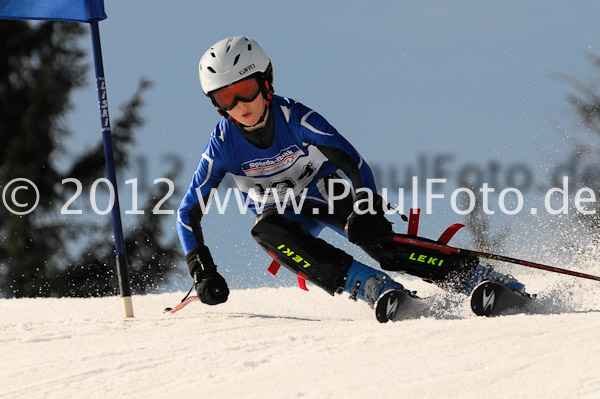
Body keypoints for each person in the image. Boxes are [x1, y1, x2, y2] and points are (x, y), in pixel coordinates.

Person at [176, 36, 525, 322]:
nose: (240, 104)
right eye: (226, 97)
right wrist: (201, 269)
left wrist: (367, 205)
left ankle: (476, 277)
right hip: (281, 213)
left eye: (246, 89)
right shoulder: (222, 145)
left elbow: (352, 161)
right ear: (217, 105)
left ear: (266, 83)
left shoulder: (295, 117)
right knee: (265, 231)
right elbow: (187, 212)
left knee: (376, 241)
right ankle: (369, 285)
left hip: (324, 190)